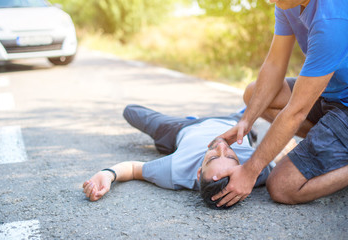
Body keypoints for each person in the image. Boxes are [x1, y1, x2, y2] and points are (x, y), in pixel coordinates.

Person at [211, 0, 348, 208]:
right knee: (253, 94)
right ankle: (330, 143)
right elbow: (275, 64)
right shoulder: (287, 3)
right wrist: (246, 122)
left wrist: (250, 170)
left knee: (282, 186)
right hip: (330, 91)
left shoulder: (333, 19)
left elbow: (296, 112)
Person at [82, 104, 278, 209]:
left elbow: (133, 169)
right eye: (231, 156)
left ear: (199, 171)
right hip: (235, 124)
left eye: (212, 158)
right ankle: (242, 112)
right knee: (257, 110)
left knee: (131, 111)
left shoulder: (174, 170)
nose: (220, 147)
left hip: (182, 128)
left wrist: (107, 174)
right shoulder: (255, 170)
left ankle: (191, 118)